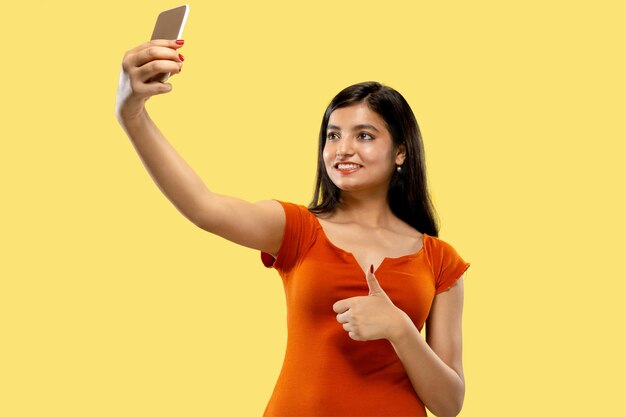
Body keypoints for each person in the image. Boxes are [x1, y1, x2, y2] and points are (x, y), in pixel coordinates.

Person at [116, 39, 470, 417]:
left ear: (401, 152)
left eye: (364, 135)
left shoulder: (440, 260)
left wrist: (400, 329)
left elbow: (449, 404)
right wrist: (132, 115)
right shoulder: (298, 229)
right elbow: (204, 206)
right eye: (333, 135)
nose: (342, 149)